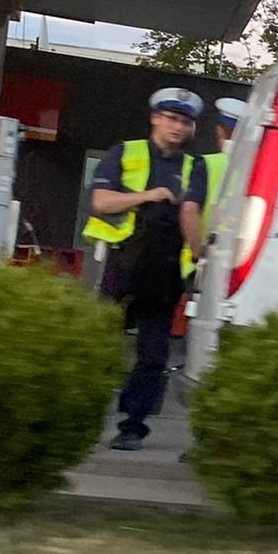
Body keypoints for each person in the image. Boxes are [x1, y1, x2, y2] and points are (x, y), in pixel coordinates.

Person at [84, 87, 207, 451]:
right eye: (170, 118)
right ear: (155, 118)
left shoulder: (193, 166)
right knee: (97, 345)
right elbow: (101, 201)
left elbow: (191, 212)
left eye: (184, 122)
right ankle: (84, 415)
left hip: (165, 272)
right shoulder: (125, 152)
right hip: (122, 264)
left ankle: (133, 425)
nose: (176, 127)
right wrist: (147, 196)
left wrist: (199, 259)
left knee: (153, 355)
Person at [180, 96, 245, 283]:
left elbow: (189, 209)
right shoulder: (263, 167)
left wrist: (197, 252)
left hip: (205, 264)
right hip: (240, 267)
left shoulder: (207, 164)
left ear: (219, 131)